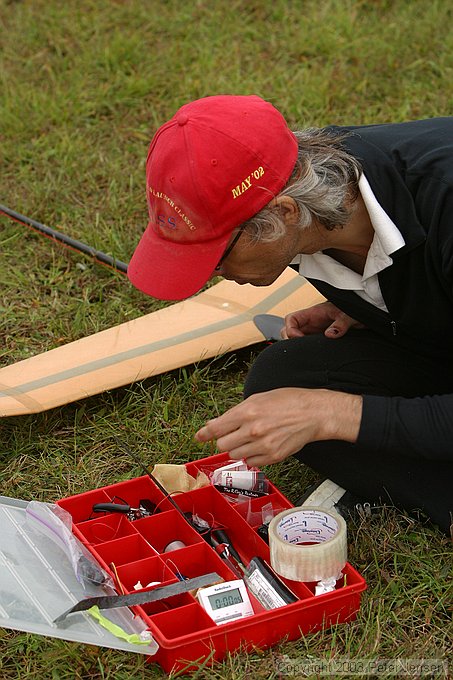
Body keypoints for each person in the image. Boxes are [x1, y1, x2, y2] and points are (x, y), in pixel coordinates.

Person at [128, 94, 453, 535]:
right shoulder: (316, 200)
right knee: (283, 380)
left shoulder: (443, 199)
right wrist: (373, 301)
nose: (213, 276)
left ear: (284, 212)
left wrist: (330, 413)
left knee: (310, 409)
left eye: (219, 257)